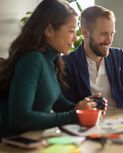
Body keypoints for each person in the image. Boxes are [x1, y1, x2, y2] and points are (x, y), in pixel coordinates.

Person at [0, 0, 106, 138]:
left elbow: (59, 104)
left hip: (36, 141)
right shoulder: (32, 60)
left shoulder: (50, 61)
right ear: (49, 30)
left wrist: (87, 105)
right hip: (15, 146)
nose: (75, 38)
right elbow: (20, 119)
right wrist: (76, 116)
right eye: (71, 31)